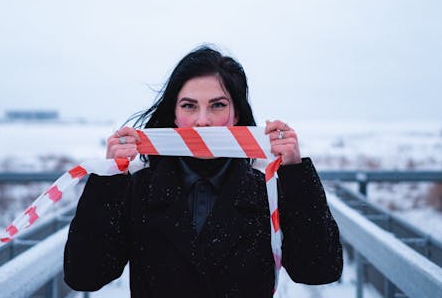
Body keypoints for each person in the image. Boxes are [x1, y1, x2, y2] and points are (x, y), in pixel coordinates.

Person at [64, 45, 343, 297]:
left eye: (218, 105)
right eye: (189, 106)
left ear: (236, 116)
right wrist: (109, 180)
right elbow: (85, 275)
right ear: (173, 115)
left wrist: (295, 172)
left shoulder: (267, 190)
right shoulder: (139, 189)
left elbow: (318, 270)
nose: (202, 121)